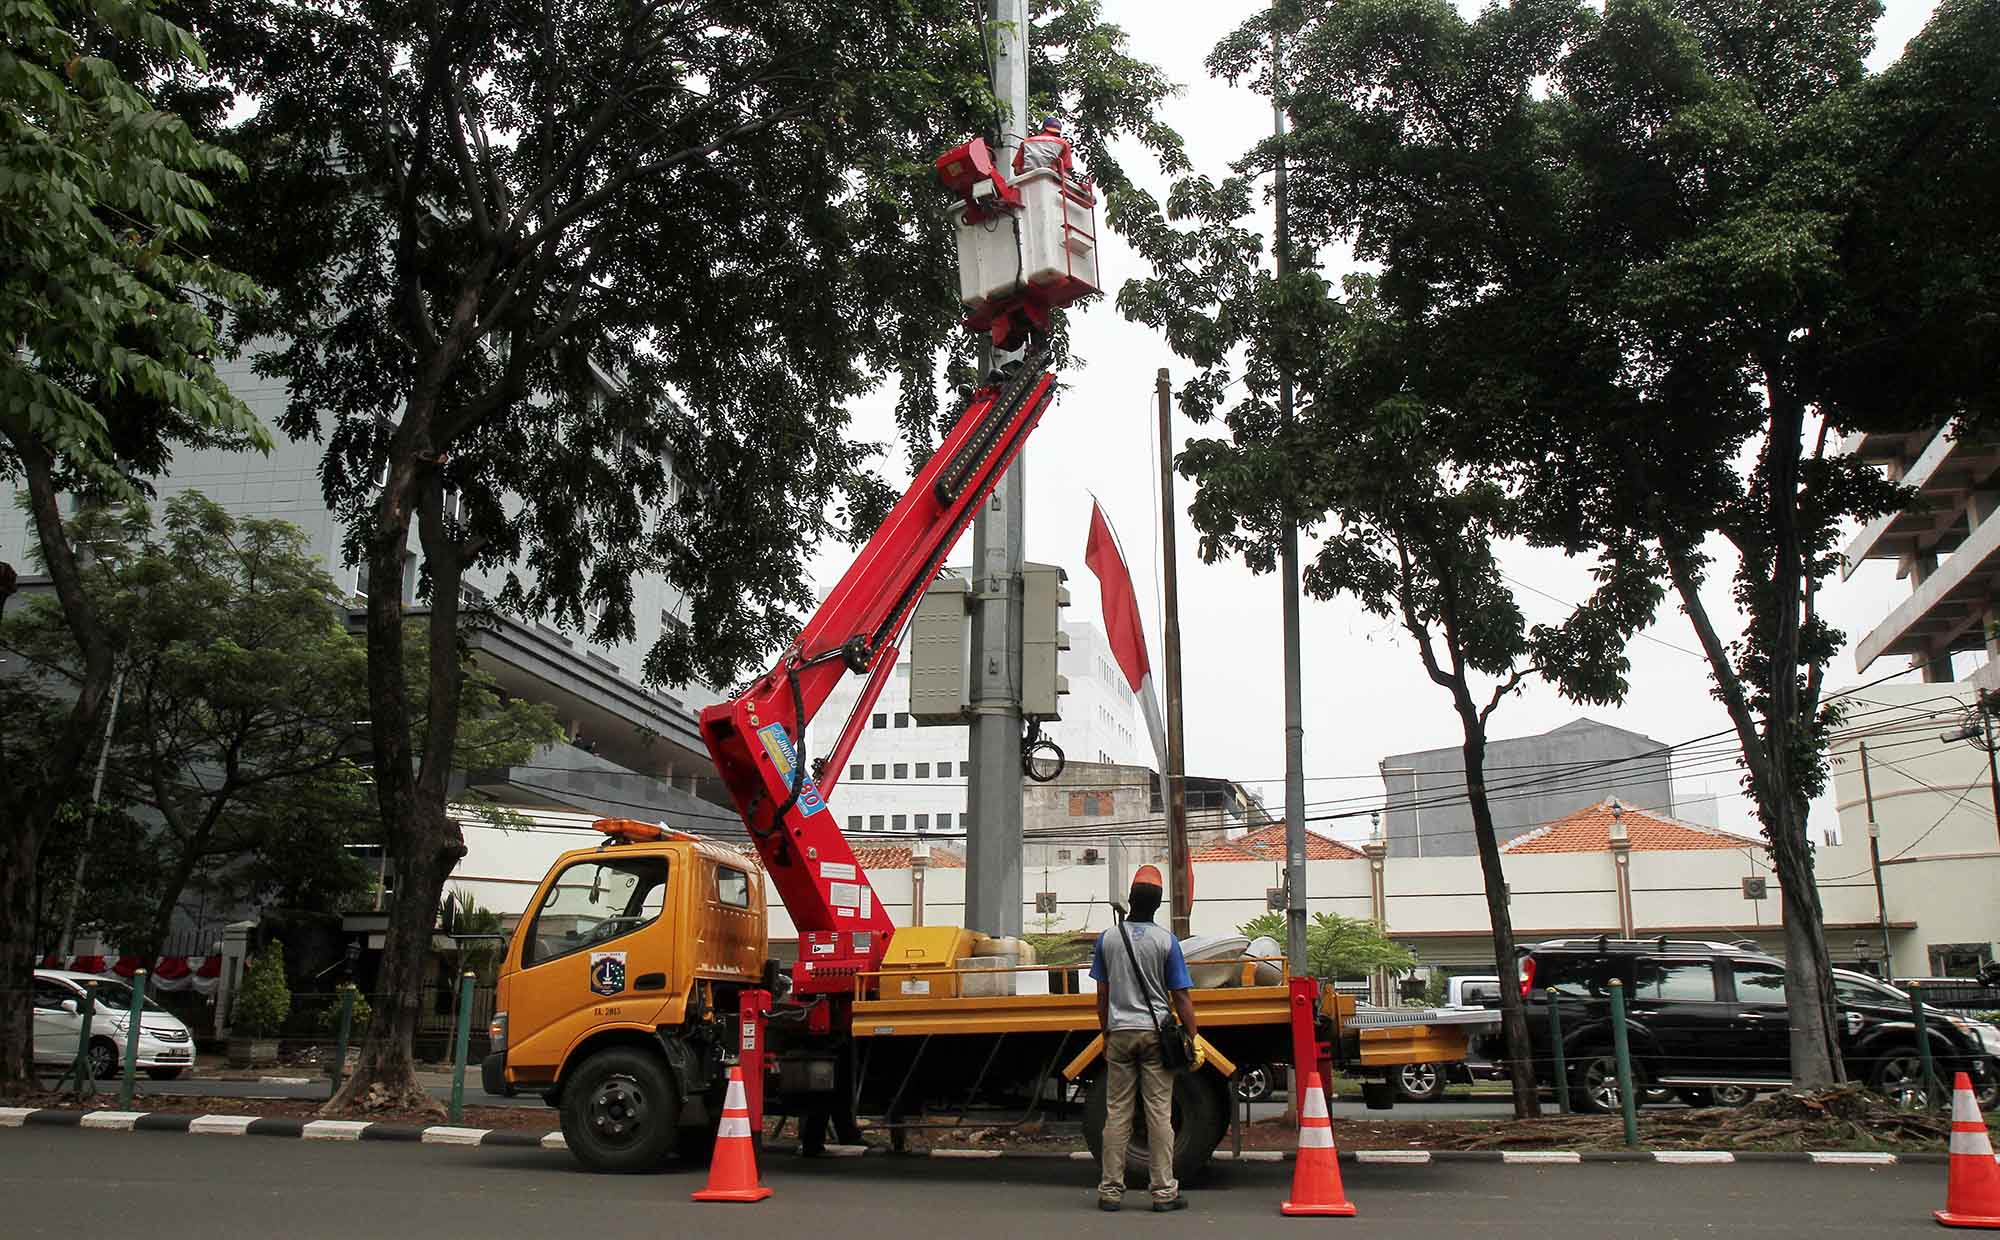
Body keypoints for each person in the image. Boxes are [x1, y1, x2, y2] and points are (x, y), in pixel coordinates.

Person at [1089, 864, 1203, 1212]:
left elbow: (1102, 995)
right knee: (1158, 1114)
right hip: (1155, 1036)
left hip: (1119, 1034)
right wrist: (1194, 1037)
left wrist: (1105, 1031)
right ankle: (1163, 1192)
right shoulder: (1166, 941)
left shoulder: (1108, 938)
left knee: (1117, 1114)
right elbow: (1181, 996)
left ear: (1130, 901)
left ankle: (1110, 1191)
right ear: (1157, 905)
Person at [1013, 116, 1076, 180]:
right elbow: (1066, 170)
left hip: (1027, 180)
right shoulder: (1064, 144)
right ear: (1059, 131)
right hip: (1050, 180)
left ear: (1043, 128)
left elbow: (1017, 169)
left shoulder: (1026, 142)